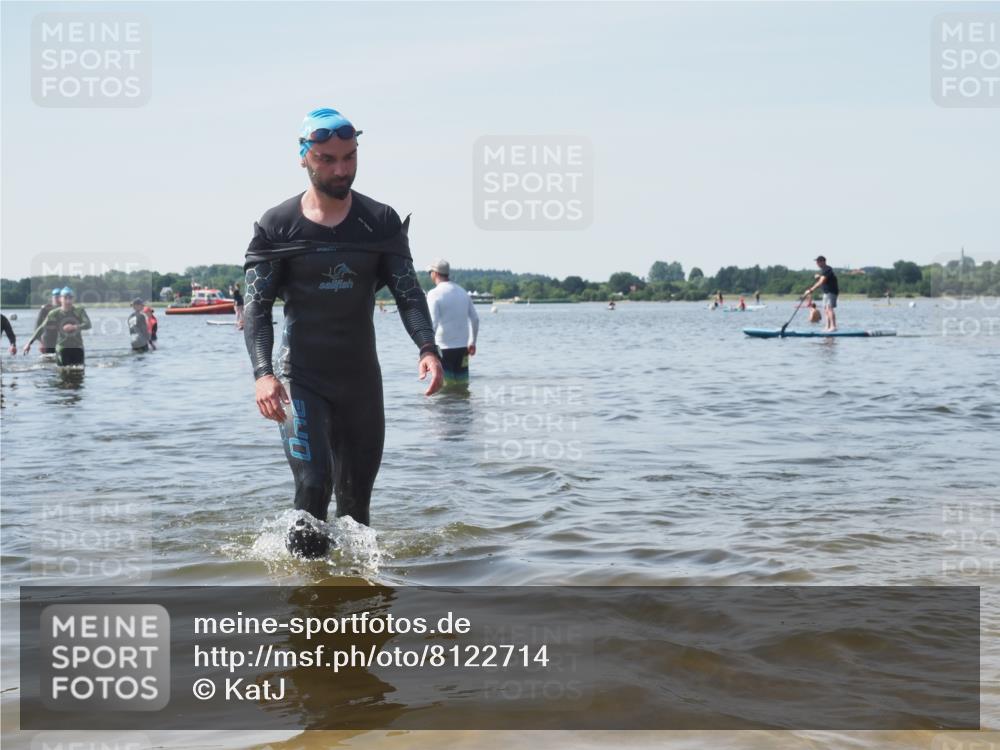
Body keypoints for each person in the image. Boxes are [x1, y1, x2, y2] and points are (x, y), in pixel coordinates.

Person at [242, 107, 444, 559]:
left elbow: (409, 294)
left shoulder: (380, 221)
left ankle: (356, 605)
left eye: (350, 157)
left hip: (360, 382)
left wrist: (427, 349)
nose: (341, 169)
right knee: (314, 487)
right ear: (303, 159)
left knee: (355, 508)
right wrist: (262, 372)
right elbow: (256, 309)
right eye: (328, 159)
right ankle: (306, 601)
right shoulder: (277, 227)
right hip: (302, 379)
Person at [425, 259, 479, 386]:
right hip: (463, 349)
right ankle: (462, 406)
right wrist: (472, 342)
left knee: (444, 387)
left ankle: (448, 406)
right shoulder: (462, 292)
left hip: (443, 349)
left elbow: (433, 323)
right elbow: (475, 319)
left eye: (430, 272)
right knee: (462, 385)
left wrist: (428, 348)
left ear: (435, 273)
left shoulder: (434, 294)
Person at [23, 287, 91, 365]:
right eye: (65, 298)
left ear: (73, 299)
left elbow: (88, 324)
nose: (68, 301)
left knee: (79, 373)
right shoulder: (54, 313)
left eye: (70, 298)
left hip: (77, 346)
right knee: (63, 373)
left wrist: (74, 327)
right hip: (62, 347)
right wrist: (29, 343)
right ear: (60, 299)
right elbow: (41, 327)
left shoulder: (79, 311)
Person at [802, 255, 839, 332]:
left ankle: (833, 326)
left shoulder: (827, 269)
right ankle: (827, 327)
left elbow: (821, 281)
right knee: (825, 309)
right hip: (826, 292)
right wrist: (819, 276)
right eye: (817, 262)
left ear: (823, 262)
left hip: (831, 291)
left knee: (829, 308)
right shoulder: (823, 271)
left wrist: (810, 290)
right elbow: (824, 279)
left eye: (818, 262)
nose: (817, 263)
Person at [34, 288, 62, 354]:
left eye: (59, 297)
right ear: (52, 298)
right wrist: (41, 343)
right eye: (55, 297)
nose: (57, 299)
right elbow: (37, 327)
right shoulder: (45, 309)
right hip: (47, 340)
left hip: (60, 341)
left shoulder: (65, 309)